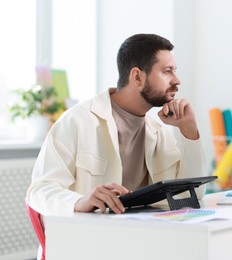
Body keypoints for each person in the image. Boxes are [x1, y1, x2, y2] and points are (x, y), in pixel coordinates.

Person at [26, 33, 206, 216]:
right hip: (89, 237)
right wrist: (81, 201)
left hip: (140, 235)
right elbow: (40, 190)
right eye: (167, 71)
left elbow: (192, 195)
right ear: (137, 77)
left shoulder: (159, 132)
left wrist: (189, 131)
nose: (177, 80)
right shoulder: (77, 121)